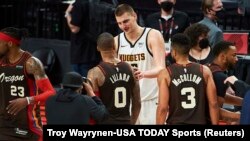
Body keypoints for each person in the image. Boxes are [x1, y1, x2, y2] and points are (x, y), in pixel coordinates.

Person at [0, 27, 55, 140]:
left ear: (10, 43)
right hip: (3, 125)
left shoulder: (31, 63)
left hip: (27, 125)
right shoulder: (1, 61)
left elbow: (51, 93)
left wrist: (27, 100)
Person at [114, 4, 166, 124]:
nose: (123, 26)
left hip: (151, 100)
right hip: (128, 103)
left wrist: (143, 74)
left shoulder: (152, 35)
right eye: (119, 23)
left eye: (126, 21)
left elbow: (161, 68)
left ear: (134, 16)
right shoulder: (116, 41)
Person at [156, 33, 219, 125]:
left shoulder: (165, 74)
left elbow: (163, 108)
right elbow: (213, 104)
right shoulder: (204, 71)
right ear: (189, 50)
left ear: (173, 52)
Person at [87, 32, 141, 124]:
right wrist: (132, 122)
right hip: (126, 122)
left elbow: (92, 105)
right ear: (114, 46)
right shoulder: (130, 69)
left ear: (98, 48)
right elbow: (137, 102)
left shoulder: (95, 72)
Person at [208, 41, 243, 124]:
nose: (237, 59)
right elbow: (215, 110)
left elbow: (219, 96)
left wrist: (246, 102)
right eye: (234, 55)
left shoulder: (209, 68)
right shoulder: (220, 77)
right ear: (223, 57)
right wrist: (240, 116)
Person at [65, 0, 101, 77]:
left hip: (81, 52)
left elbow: (74, 28)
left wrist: (67, 14)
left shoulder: (79, 4)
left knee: (80, 84)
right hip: (94, 50)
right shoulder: (96, 3)